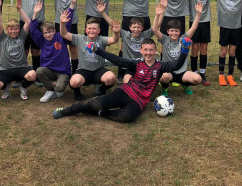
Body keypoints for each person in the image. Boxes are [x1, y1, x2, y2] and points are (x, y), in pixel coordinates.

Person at [52, 37, 193, 123]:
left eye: (151, 50)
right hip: (126, 91)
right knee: (94, 103)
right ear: (141, 51)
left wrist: (185, 50)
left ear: (156, 51)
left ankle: (101, 113)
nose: (148, 53)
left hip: (140, 100)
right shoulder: (137, 63)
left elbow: (176, 66)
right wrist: (97, 50)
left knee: (127, 117)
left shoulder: (160, 66)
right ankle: (65, 111)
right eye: (145, 50)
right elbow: (117, 60)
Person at [60, 10, 120, 101]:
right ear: (86, 30)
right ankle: (77, 92)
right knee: (74, 82)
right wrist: (62, 23)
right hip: (83, 70)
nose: (91, 31)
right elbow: (64, 33)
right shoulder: (80, 39)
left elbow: (114, 40)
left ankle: (102, 90)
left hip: (99, 70)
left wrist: (117, 32)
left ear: (99, 31)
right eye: (89, 28)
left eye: (94, 29)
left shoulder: (101, 40)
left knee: (112, 78)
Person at [47, 0, 91, 75]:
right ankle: (60, 70)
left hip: (72, 23)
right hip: (59, 23)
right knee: (59, 47)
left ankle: (75, 71)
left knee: (73, 48)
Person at [29, 0, 77, 103]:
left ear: (54, 31)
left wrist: (72, 4)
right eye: (45, 33)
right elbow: (33, 30)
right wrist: (35, 13)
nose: (48, 34)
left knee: (59, 89)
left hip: (62, 71)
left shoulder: (60, 37)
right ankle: (50, 91)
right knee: (39, 71)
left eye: (50, 32)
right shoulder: (42, 40)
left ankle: (59, 85)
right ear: (43, 34)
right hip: (49, 70)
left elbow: (67, 23)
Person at [95, 0, 154, 84]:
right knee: (127, 82)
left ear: (142, 28)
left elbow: (156, 26)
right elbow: (113, 24)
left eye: (138, 27)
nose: (136, 29)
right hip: (129, 66)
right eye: (134, 27)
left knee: (145, 82)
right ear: (130, 27)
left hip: (142, 66)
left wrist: (159, 14)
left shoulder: (146, 35)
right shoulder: (126, 35)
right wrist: (102, 12)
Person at [153, 0, 203, 95]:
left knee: (198, 79)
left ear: (180, 32)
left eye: (176, 31)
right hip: (168, 72)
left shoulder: (183, 39)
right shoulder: (164, 39)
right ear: (168, 31)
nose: (174, 33)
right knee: (163, 77)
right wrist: (157, 15)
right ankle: (164, 88)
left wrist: (198, 14)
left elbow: (194, 28)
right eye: (171, 31)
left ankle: (185, 84)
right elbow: (155, 29)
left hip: (181, 72)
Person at [0, 0, 37, 100]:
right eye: (11, 29)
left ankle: (22, 86)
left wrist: (19, 9)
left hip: (21, 67)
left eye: (16, 29)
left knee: (33, 75)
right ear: (7, 30)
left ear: (19, 29)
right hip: (6, 69)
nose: (13, 31)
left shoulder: (22, 37)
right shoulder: (3, 38)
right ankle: (5, 86)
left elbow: (28, 22)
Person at [185, 0, 216, 85]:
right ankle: (194, 72)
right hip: (194, 23)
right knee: (194, 48)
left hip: (205, 22)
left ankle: (202, 73)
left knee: (204, 48)